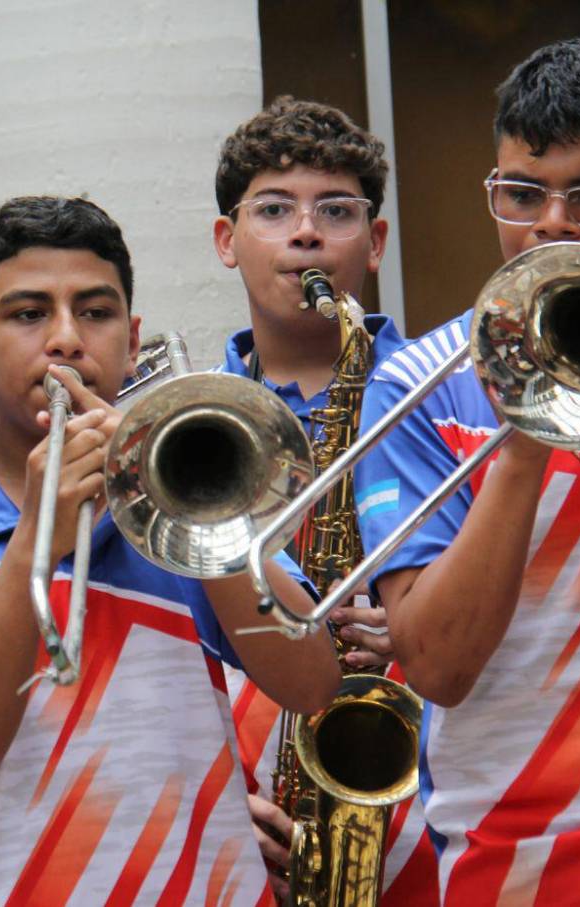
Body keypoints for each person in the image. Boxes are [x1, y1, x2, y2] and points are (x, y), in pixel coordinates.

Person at [0, 195, 341, 906]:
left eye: (96, 311)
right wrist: (37, 541)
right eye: (28, 314)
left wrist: (187, 503)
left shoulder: (194, 498)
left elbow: (313, 683)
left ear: (133, 333)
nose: (65, 339)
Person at [354, 37, 580, 904]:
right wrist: (528, 431)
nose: (550, 223)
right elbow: (436, 664)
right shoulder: (415, 386)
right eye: (522, 192)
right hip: (515, 859)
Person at [212, 97, 438, 903]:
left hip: (423, 801)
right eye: (273, 209)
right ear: (225, 241)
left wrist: (417, 626)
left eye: (336, 211)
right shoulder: (187, 429)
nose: (305, 232)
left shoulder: (446, 397)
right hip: (240, 814)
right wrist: (214, 804)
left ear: (375, 243)